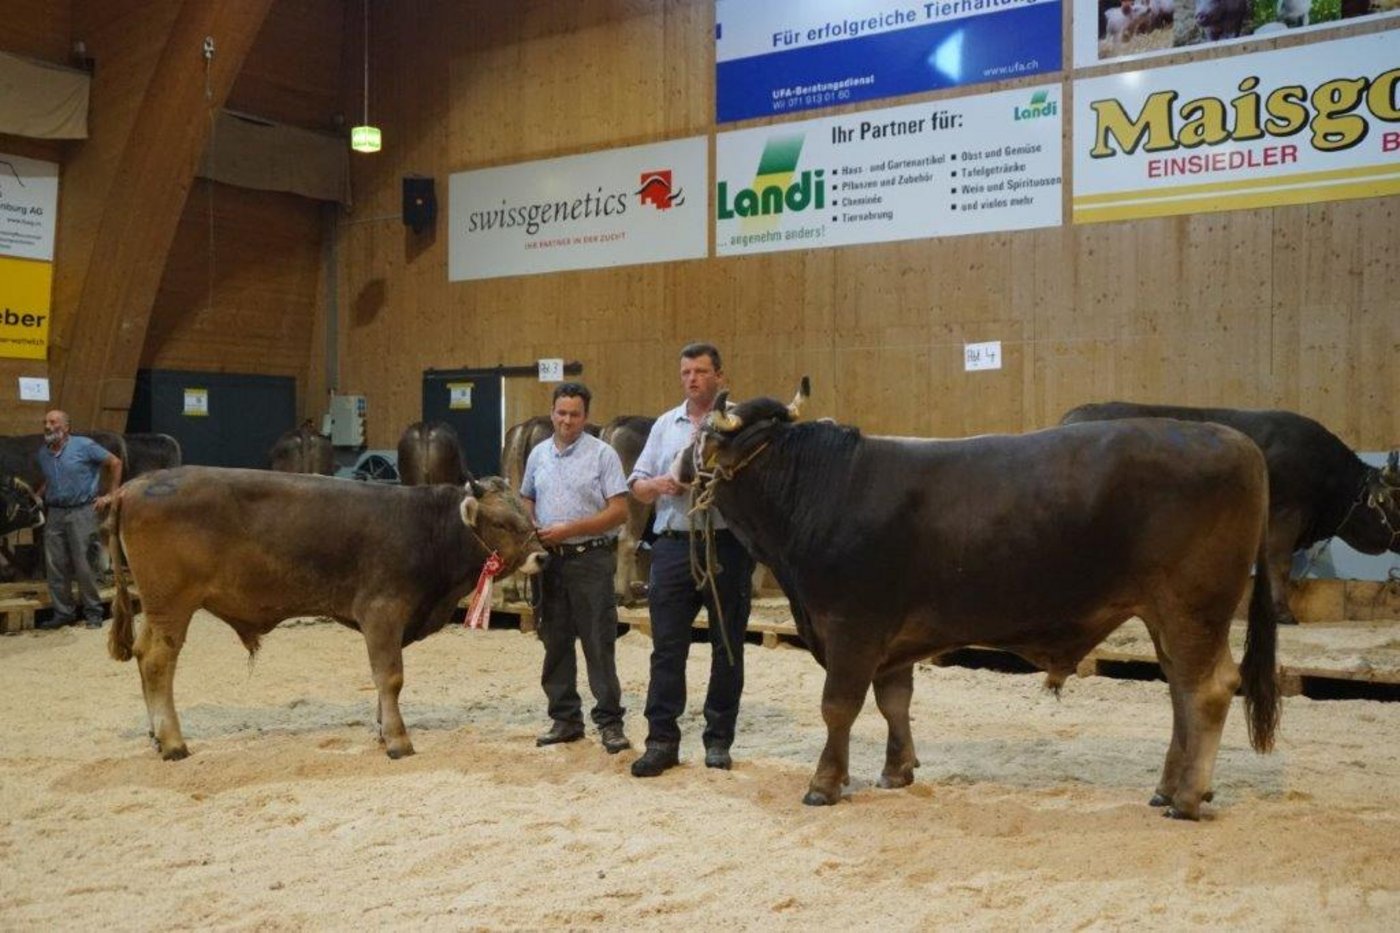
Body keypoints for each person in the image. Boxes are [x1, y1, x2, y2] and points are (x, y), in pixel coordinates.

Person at [627, 342, 755, 777]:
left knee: (728, 647)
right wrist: (660, 484)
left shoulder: (741, 421)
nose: (692, 379)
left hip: (726, 546)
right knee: (667, 648)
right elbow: (637, 485)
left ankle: (718, 741)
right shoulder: (666, 425)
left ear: (719, 375)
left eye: (701, 371)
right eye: (686, 372)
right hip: (674, 546)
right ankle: (661, 741)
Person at [521, 382, 632, 754]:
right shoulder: (538, 454)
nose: (567, 420)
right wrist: (532, 527)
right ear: (552, 412)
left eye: (575, 414)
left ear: (586, 416)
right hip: (550, 562)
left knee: (598, 643)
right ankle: (565, 719)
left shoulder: (603, 455)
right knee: (554, 642)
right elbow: (526, 497)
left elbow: (619, 510)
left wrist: (570, 529)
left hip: (590, 559)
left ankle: (610, 722)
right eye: (561, 413)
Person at [35, 410, 122, 630]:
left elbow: (115, 462)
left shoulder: (84, 446)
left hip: (81, 512)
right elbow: (51, 478)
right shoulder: (43, 454)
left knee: (84, 565)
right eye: (45, 422)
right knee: (55, 566)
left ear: (66, 427)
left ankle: (93, 613)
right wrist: (38, 494)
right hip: (55, 514)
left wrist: (111, 495)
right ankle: (63, 613)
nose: (47, 426)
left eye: (52, 422)